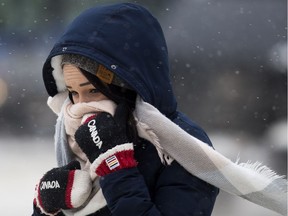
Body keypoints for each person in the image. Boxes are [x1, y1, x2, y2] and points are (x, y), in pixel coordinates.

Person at [32, 3, 219, 216]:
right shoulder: (81, 140)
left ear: (126, 87)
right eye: (73, 93)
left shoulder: (182, 146)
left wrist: (116, 168)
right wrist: (45, 208)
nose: (81, 107)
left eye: (93, 91)